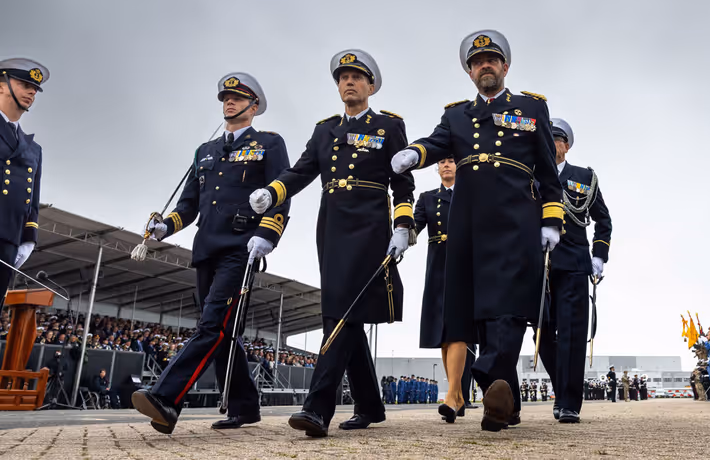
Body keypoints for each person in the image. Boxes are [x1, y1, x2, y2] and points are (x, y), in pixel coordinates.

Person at [391, 30, 563, 432]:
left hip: (516, 219)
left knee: (509, 307)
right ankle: (505, 404)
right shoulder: (456, 115)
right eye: (477, 62)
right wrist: (414, 153)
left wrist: (551, 219)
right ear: (469, 72)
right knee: (481, 314)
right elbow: (436, 143)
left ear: (505, 66)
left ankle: (487, 377)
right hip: (468, 223)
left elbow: (547, 171)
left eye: (491, 59)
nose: (485, 65)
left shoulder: (530, 108)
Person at [251, 49, 415, 438]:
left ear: (370, 85)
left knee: (339, 315)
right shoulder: (324, 130)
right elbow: (301, 171)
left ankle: (317, 409)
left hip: (370, 228)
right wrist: (272, 192)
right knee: (345, 314)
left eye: (356, 77)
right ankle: (370, 405)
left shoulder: (388, 126)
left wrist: (403, 226)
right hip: (331, 226)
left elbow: (402, 182)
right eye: (342, 78)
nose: (348, 82)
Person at [132, 72, 290, 434]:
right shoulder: (205, 151)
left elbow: (282, 192)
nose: (229, 102)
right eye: (225, 98)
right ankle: (244, 407)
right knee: (224, 332)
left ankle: (166, 399)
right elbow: (188, 205)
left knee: (212, 325)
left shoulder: (269, 143)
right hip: (205, 249)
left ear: (254, 106)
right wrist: (165, 227)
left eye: (237, 98)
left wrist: (268, 234)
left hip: (241, 248)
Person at [535, 118, 612, 424]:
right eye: (547, 138)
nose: (551, 143)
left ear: (566, 145)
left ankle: (569, 403)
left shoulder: (584, 177)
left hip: (574, 264)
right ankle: (560, 389)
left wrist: (599, 256)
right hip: (537, 264)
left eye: (556, 138)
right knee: (541, 333)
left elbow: (603, 220)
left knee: (572, 333)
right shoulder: (529, 173)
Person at [413, 155, 468, 422]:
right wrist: (398, 229)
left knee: (457, 329)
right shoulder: (426, 198)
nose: (446, 165)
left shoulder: (470, 194)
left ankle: (451, 396)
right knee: (443, 334)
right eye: (442, 162)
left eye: (451, 160)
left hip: (464, 263)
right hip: (436, 266)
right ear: (437, 168)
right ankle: (457, 397)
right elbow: (413, 227)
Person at [0, 59, 47, 311]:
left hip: (9, 239)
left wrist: (29, 239)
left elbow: (33, 201)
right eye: (25, 85)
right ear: (1, 86)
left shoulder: (33, 149)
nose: (32, 92)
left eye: (35, 88)